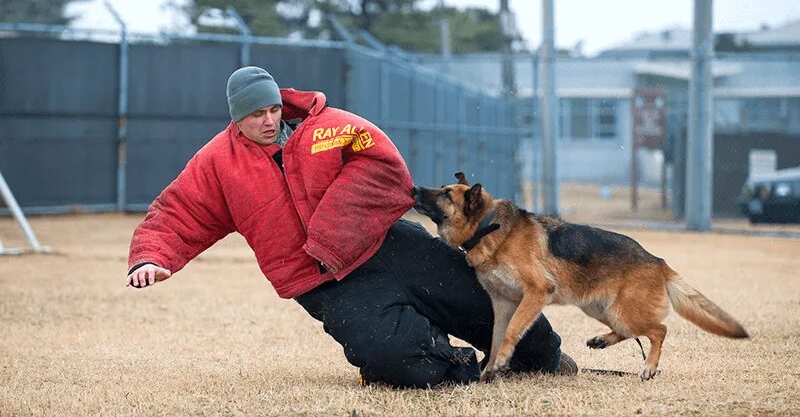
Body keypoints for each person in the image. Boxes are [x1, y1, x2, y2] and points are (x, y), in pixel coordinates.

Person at [125, 66, 577, 388]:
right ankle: (451, 363)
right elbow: (179, 211)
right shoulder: (217, 164)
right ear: (235, 118)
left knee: (482, 300)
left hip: (386, 242)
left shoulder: (329, 128)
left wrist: (337, 223)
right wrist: (151, 257)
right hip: (323, 282)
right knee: (398, 361)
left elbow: (382, 160)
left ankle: (545, 358)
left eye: (272, 110)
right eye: (255, 115)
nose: (268, 121)